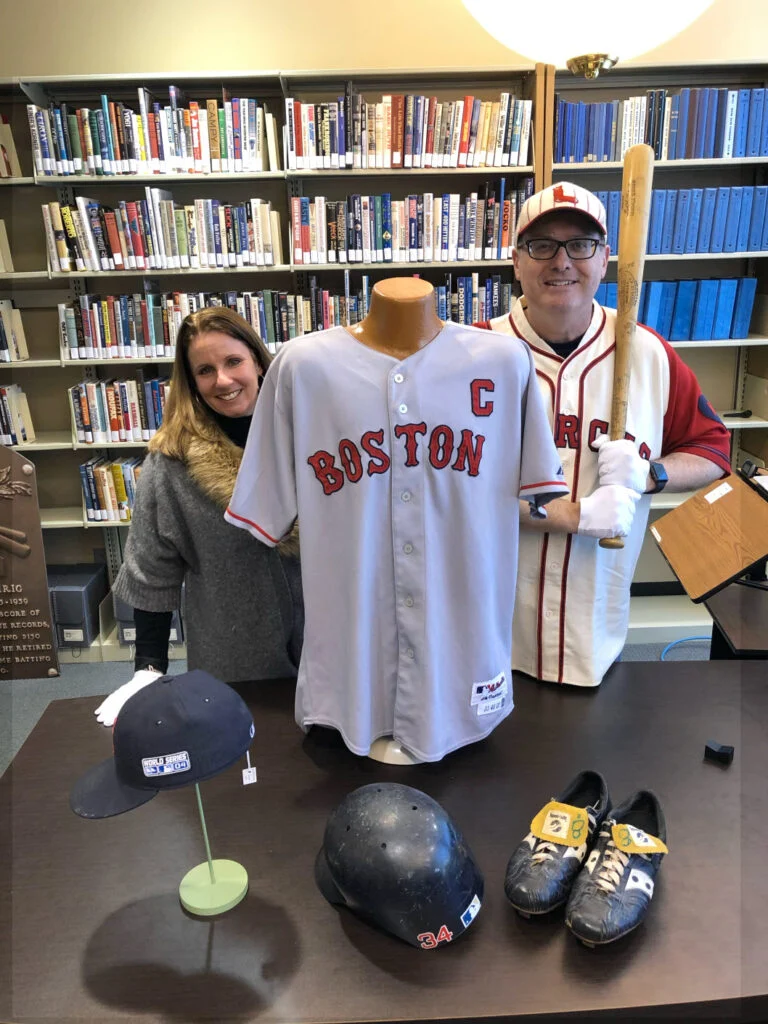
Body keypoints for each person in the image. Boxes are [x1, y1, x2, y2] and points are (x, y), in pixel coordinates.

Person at [476, 181, 731, 688]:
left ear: (606, 257)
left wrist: (649, 473)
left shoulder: (648, 352)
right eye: (541, 244)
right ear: (516, 260)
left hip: (597, 628)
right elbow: (445, 493)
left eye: (581, 244)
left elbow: (712, 450)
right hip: (488, 632)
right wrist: (572, 514)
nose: (561, 261)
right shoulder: (470, 355)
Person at [93, 307, 303, 726]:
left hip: (330, 652)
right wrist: (148, 668)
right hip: (235, 658)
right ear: (191, 382)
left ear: (259, 362)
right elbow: (152, 570)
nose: (223, 380)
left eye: (233, 362)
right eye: (205, 370)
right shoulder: (171, 462)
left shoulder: (316, 437)